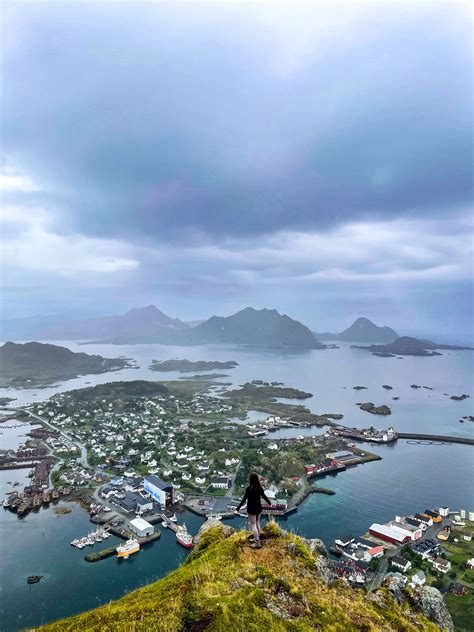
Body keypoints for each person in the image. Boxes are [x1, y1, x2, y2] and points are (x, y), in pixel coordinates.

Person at [235, 472, 271, 548]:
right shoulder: (259, 488)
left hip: (251, 509)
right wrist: (269, 503)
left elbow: (244, 500)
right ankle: (257, 538)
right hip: (259, 508)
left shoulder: (248, 489)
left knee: (253, 525)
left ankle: (257, 542)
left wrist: (237, 509)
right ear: (257, 479)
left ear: (250, 480)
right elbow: (264, 496)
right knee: (257, 523)